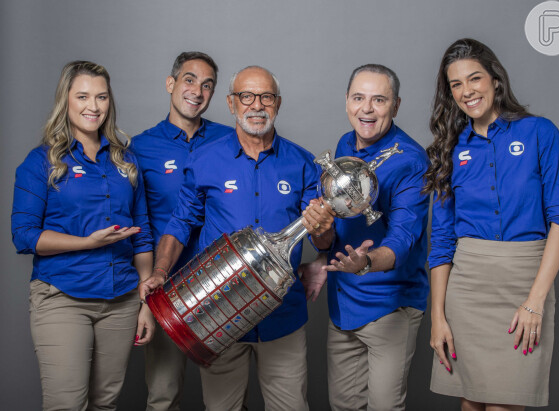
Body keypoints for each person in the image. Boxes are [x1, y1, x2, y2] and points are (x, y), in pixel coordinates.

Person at [140, 65, 332, 411]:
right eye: (247, 96)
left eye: (266, 97)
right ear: (231, 103)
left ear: (278, 103)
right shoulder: (205, 159)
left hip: (282, 317)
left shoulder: (303, 163)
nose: (256, 105)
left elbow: (321, 241)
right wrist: (161, 271)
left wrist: (323, 228)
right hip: (218, 313)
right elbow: (181, 221)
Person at [424, 38, 559, 410]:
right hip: (467, 289)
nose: (467, 91)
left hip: (526, 283)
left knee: (506, 403)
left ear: (495, 80)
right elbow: (441, 242)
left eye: (474, 79)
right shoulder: (450, 148)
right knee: (471, 402)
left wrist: (535, 301)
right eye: (455, 84)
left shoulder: (541, 133)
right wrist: (438, 317)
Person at [11, 60, 155, 410]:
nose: (94, 106)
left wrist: (146, 302)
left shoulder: (126, 161)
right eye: (83, 96)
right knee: (67, 404)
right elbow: (24, 235)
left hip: (121, 300)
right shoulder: (41, 161)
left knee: (105, 403)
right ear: (66, 100)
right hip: (63, 297)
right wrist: (87, 243)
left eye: (101, 97)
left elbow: (143, 235)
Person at [300, 64, 430, 411]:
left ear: (396, 106)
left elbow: (403, 240)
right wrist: (321, 240)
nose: (367, 109)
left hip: (390, 308)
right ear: (346, 101)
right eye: (359, 98)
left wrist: (366, 262)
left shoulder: (412, 161)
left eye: (379, 100)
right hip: (343, 306)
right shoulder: (345, 145)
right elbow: (331, 234)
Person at [130, 51, 233, 411]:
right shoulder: (139, 149)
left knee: (226, 399)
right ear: (171, 83)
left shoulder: (229, 141)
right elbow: (137, 225)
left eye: (208, 85)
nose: (197, 91)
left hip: (221, 287)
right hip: (165, 289)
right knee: (163, 395)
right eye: (190, 80)